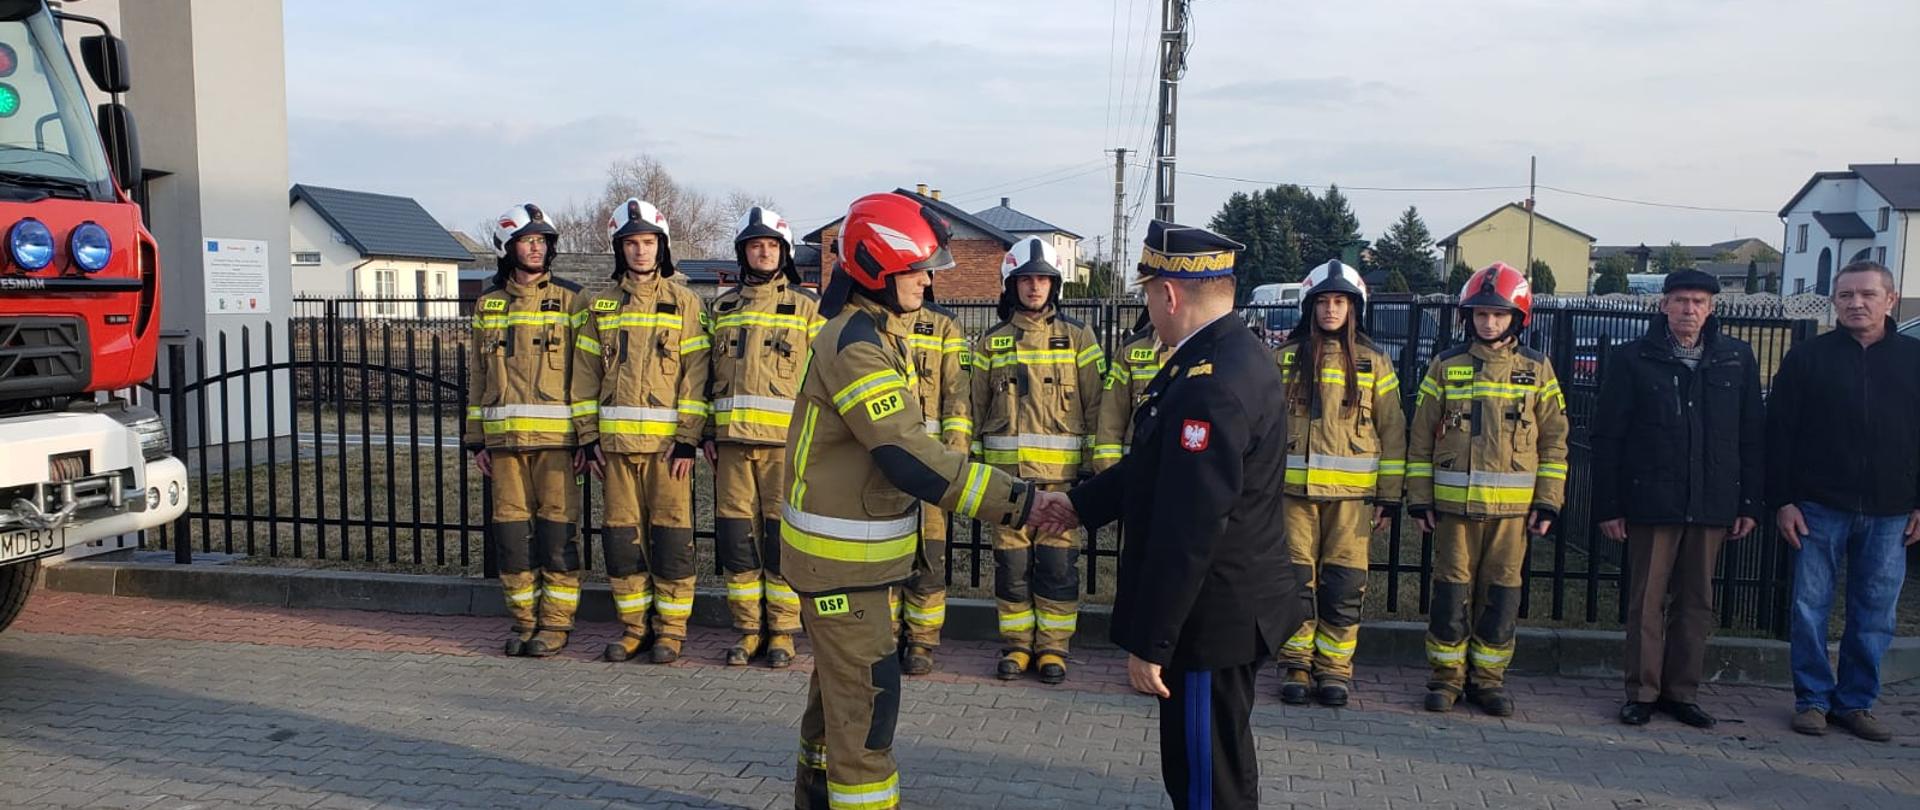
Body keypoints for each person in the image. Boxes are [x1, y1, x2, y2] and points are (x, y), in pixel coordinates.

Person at [784, 191, 1054, 810]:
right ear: (879, 266)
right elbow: (905, 453)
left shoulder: (876, 332)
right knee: (868, 721)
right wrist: (1021, 503)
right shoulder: (857, 345)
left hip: (847, 567)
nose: (928, 280)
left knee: (834, 712)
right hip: (842, 572)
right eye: (918, 268)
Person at [1046, 220, 1305, 810]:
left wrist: (1154, 642)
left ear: (1169, 293)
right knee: (1218, 762)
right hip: (1227, 606)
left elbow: (1191, 526)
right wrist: (1080, 507)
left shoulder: (1211, 383)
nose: (1148, 306)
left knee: (1203, 778)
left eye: (1147, 293)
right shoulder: (1221, 356)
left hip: (1206, 622)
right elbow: (1156, 465)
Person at [1590, 268, 1763, 729]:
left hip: (1711, 502)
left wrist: (1749, 504)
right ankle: (1642, 692)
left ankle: (1682, 693)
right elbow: (1609, 436)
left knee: (1696, 602)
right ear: (1663, 305)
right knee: (1646, 600)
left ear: (1712, 309)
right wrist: (1609, 504)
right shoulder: (1633, 358)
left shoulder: (1736, 359)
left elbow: (1751, 437)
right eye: (1681, 300)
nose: (1690, 310)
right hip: (1652, 499)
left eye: (1699, 302)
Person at [1407, 262, 1569, 717]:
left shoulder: (1537, 370)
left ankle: (1488, 681)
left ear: (1517, 318)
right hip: (1453, 512)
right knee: (1450, 595)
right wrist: (1419, 499)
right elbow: (1420, 438)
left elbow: (1556, 439)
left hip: (1512, 515)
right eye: (1480, 314)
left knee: (1500, 597)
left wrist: (1548, 502)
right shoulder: (1445, 366)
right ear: (1468, 317)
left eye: (1498, 314)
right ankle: (1445, 679)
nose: (1489, 322)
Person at [1768, 260, 1920, 742]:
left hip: (1892, 510)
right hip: (1818, 506)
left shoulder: (1914, 360)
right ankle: (1812, 699)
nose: (1856, 303)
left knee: (1875, 612)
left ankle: (1856, 702)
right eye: (1846, 295)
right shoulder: (1807, 358)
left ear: (1890, 300)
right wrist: (1783, 500)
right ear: (1834, 301)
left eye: (1867, 295)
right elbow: (1780, 434)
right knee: (1809, 607)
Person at [572, 198, 712, 665]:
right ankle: (634, 628)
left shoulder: (686, 302)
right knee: (621, 540)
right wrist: (588, 437)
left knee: (671, 540)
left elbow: (696, 374)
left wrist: (689, 438)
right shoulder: (599, 303)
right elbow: (585, 372)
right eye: (630, 243)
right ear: (619, 249)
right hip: (614, 450)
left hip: (667, 451)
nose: (640, 251)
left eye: (648, 242)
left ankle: (671, 631)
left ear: (661, 246)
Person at [970, 236, 1106, 684]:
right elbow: (972, 406)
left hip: (1061, 484)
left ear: (1054, 286)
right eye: (1026, 279)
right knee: (1010, 569)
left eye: (1042, 280)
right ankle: (1016, 647)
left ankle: (1053, 648)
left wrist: (1091, 468)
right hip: (1006, 483)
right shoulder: (991, 343)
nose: (1034, 288)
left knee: (1057, 568)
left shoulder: (1079, 337)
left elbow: (1095, 404)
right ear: (1012, 285)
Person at [1272, 260, 1406, 708]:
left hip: (1353, 503)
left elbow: (1393, 433)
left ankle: (1334, 670)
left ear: (1354, 309)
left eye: (1340, 302)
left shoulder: (1374, 362)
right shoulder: (1284, 359)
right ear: (1309, 307)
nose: (1331, 311)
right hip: (1292, 498)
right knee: (1295, 584)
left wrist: (1389, 497)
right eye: (1323, 302)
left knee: (1344, 586)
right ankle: (1295, 664)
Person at [464, 202, 588, 658]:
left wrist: (585, 437)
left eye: (542, 241)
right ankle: (523, 621)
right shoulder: (488, 304)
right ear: (508, 247)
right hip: (503, 447)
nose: (536, 249)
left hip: (558, 446)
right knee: (512, 540)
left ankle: (556, 625)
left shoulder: (574, 300)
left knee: (557, 537)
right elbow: (479, 374)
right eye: (527, 241)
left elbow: (586, 371)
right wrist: (476, 438)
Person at [705, 207, 819, 669]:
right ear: (743, 252)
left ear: (784, 253)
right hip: (731, 445)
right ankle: (748, 629)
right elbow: (705, 378)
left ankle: (783, 633)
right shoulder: (723, 308)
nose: (764, 252)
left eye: (772, 245)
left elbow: (821, 381)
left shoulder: (808, 308)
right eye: (756, 245)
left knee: (781, 540)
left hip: (784, 448)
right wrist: (708, 433)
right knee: (738, 541)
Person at [894, 295, 972, 675]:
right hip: (883, 459)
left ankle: (922, 641)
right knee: (886, 551)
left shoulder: (944, 325)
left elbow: (957, 393)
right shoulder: (871, 322)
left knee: (929, 552)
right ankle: (887, 635)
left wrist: (952, 457)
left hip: (930, 463)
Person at [1089, 306, 1169, 473]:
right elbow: (1110, 421)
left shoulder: (1207, 348)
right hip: (1135, 477)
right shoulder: (1130, 350)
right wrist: (1108, 479)